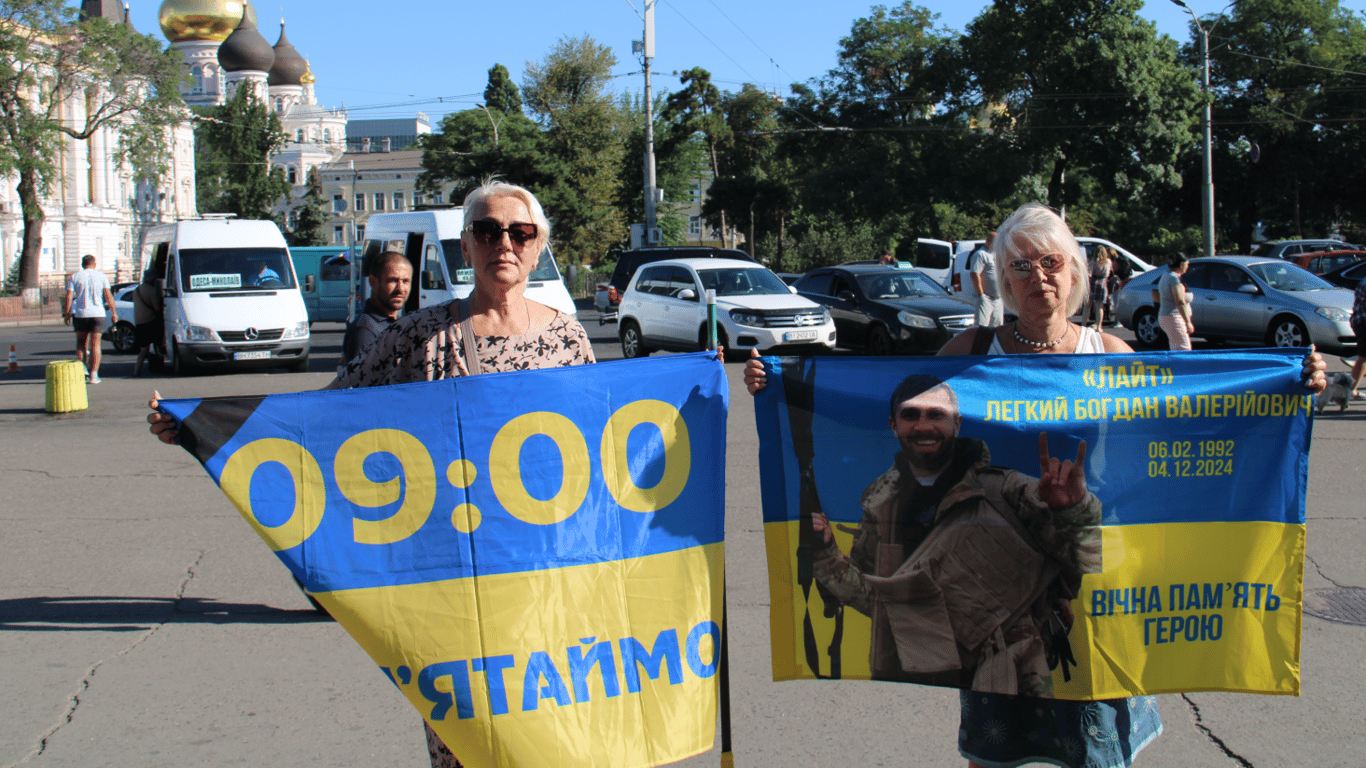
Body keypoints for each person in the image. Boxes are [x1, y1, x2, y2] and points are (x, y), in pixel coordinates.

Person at [744, 202, 1326, 768]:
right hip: (992, 623)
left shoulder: (1111, 353)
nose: (1037, 277)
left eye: (1050, 263)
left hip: (1097, 599)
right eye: (1019, 265)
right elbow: (878, 406)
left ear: (1075, 273)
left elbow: (1185, 422)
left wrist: (1292, 384)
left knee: (1096, 757)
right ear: (1002, 278)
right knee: (993, 756)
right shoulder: (970, 353)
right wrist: (777, 383)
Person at [150, 180, 605, 768]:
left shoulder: (567, 338)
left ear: (539, 246)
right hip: (453, 581)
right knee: (466, 736)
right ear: (465, 246)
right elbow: (325, 416)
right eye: (488, 232)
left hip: (547, 572)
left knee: (553, 728)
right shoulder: (420, 335)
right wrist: (197, 424)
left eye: (519, 233)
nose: (505, 245)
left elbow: (602, 442)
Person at [809, 374, 1100, 696]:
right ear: (893, 425)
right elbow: (876, 599)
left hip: (1011, 679)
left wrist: (1072, 510)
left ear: (958, 423)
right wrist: (825, 553)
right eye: (911, 415)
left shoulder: (1005, 491)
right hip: (916, 680)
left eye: (936, 414)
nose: (923, 426)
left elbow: (1087, 558)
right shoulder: (881, 506)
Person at [341, 251, 412, 365]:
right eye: (392, 281)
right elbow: (361, 380)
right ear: (373, 282)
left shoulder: (399, 322)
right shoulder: (365, 331)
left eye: (405, 281)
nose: (400, 289)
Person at [63, 254, 116, 384]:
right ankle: (94, 374)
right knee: (95, 345)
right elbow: (108, 295)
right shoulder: (102, 276)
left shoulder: (75, 276)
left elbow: (69, 296)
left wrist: (67, 313)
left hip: (81, 313)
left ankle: (83, 369)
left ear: (83, 264)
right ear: (94, 263)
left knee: (81, 343)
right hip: (98, 313)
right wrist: (114, 312)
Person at [1153, 253, 1194, 351]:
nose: (1188, 267)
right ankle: (1182, 367)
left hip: (1169, 317)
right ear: (1182, 265)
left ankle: (1175, 366)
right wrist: (1188, 322)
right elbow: (1180, 301)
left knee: (1176, 348)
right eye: (1187, 265)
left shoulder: (1167, 275)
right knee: (1184, 349)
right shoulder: (1174, 278)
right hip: (1174, 318)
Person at [131, 266, 164, 377]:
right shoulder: (151, 290)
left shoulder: (136, 290)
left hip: (139, 323)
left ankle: (136, 370)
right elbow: (157, 308)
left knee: (143, 349)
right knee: (157, 344)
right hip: (151, 321)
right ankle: (158, 366)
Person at [968, 232, 1001, 328]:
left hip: (998, 299)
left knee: (997, 327)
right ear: (988, 241)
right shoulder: (980, 254)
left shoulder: (995, 254)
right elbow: (975, 274)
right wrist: (981, 294)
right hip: (986, 297)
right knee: (982, 327)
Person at [1088, 246, 1112, 331]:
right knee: (1100, 306)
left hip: (1094, 282)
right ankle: (1099, 326)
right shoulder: (1108, 262)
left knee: (1089, 305)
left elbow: (1090, 273)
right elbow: (1108, 273)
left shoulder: (1094, 261)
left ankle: (1084, 324)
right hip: (1103, 283)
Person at [1351, 274, 1366, 400]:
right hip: (1363, 323)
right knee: (1363, 358)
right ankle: (1350, 390)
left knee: (1363, 359)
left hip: (1360, 321)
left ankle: (1352, 389)